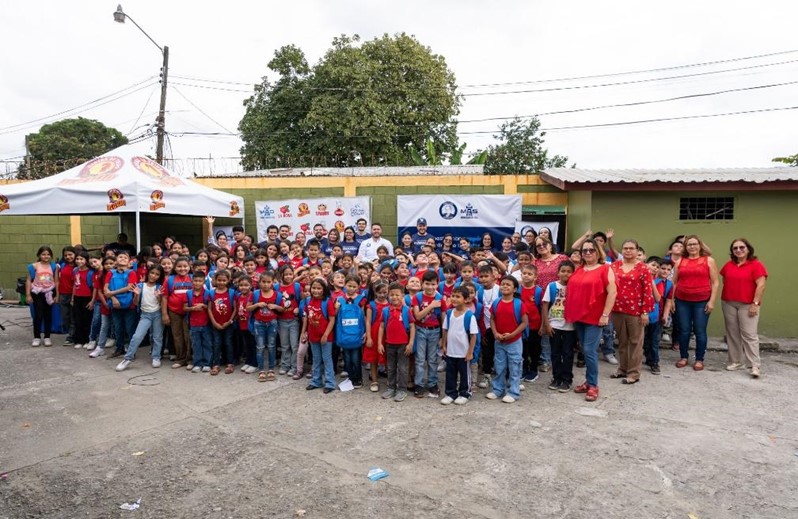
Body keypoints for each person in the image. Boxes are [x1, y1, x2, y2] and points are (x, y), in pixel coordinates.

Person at [564, 238, 617, 402]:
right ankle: (588, 381)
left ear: (598, 252)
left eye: (591, 250)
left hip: (595, 318)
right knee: (584, 350)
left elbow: (612, 293)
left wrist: (605, 314)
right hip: (579, 316)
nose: (587, 253)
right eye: (584, 250)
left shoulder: (605, 268)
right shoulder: (579, 269)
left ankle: (593, 385)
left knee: (589, 351)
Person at [720, 238, 767, 378]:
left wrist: (755, 303)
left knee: (749, 335)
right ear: (732, 251)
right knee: (732, 334)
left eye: (742, 247)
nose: (738, 250)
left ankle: (754, 365)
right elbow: (725, 280)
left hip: (748, 305)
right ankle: (736, 361)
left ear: (748, 249)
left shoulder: (756, 265)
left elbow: (761, 285)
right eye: (735, 248)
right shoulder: (728, 265)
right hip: (728, 303)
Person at [610, 240, 655, 385]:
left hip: (636, 311)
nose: (628, 251)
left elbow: (647, 291)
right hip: (617, 309)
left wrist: (645, 312)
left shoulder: (643, 268)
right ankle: (622, 368)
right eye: (625, 248)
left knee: (635, 342)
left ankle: (634, 373)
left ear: (637, 250)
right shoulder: (614, 266)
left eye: (631, 248)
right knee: (622, 342)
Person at [671, 235, 719, 371]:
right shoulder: (680, 261)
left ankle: (699, 359)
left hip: (702, 301)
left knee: (700, 331)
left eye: (694, 244)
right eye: (689, 244)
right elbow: (674, 282)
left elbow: (715, 282)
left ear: (700, 245)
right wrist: (672, 300)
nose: (692, 247)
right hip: (682, 301)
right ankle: (684, 357)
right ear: (685, 247)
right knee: (684, 330)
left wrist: (712, 301)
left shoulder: (708, 260)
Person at [486, 276, 528, 403]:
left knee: (515, 366)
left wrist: (512, 334)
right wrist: (495, 333)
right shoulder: (496, 302)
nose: (505, 286)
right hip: (499, 340)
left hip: (514, 341)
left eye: (508, 285)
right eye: (503, 284)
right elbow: (492, 319)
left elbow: (524, 322)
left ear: (515, 289)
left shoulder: (519, 304)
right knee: (499, 365)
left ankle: (513, 391)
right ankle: (498, 389)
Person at [115, 265, 164, 371]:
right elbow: (135, 303)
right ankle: (128, 358)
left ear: (159, 276)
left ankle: (156, 357)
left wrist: (158, 296)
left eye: (157, 274)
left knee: (157, 337)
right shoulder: (140, 286)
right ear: (148, 273)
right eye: (152, 273)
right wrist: (137, 294)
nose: (154, 276)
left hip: (157, 314)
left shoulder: (159, 287)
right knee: (137, 337)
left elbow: (161, 303)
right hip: (145, 315)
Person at [533, 236, 570, 371]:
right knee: (544, 326)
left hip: (560, 298)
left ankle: (561, 357)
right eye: (538, 245)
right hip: (541, 299)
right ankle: (546, 360)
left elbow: (570, 273)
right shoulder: (535, 262)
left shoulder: (562, 258)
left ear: (550, 245)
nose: (541, 246)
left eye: (544, 244)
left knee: (560, 328)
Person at [541, 260, 576, 392]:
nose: (565, 274)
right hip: (554, 324)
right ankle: (556, 377)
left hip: (570, 326)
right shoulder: (552, 286)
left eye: (569, 271)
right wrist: (546, 324)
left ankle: (567, 379)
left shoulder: (575, 286)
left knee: (567, 353)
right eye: (563, 271)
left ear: (573, 273)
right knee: (555, 353)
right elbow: (545, 305)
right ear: (558, 273)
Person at [441, 287, 478, 405]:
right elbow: (445, 330)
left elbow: (473, 336)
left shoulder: (469, 316)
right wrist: (444, 345)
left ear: (466, 299)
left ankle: (465, 393)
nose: (454, 299)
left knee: (464, 374)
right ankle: (451, 393)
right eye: (453, 296)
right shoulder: (449, 313)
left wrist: (470, 352)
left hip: (463, 352)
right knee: (450, 373)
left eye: (458, 297)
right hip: (451, 350)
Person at [378, 282, 415, 402]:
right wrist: (379, 343)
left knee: (403, 368)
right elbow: (382, 327)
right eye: (392, 295)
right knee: (390, 367)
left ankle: (402, 389)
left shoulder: (406, 310)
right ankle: (391, 387)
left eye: (397, 295)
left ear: (402, 296)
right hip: (389, 344)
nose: (394, 297)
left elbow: (412, 327)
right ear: (388, 295)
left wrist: (410, 343)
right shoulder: (385, 311)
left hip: (403, 344)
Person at [411, 271, 445, 398]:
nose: (430, 287)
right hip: (420, 330)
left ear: (437, 284)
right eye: (427, 284)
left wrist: (443, 336)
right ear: (422, 284)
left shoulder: (440, 298)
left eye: (433, 284)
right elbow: (418, 316)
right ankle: (418, 384)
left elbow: (443, 317)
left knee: (432, 359)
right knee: (420, 359)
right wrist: (431, 306)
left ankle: (432, 384)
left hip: (435, 331)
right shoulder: (418, 297)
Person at [301, 278, 337, 393]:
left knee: (326, 359)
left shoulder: (328, 302)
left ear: (324, 289)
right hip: (313, 335)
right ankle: (316, 381)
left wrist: (325, 335)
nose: (316, 290)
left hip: (325, 337)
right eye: (314, 288)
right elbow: (306, 317)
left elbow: (332, 320)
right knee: (316, 359)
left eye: (319, 288)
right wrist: (303, 332)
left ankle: (330, 383)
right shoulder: (307, 301)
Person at [248, 272, 283, 382]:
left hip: (272, 323)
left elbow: (282, 309)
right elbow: (247, 308)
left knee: (272, 346)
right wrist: (257, 305)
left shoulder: (277, 295)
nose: (266, 284)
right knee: (260, 347)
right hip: (259, 323)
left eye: (268, 282)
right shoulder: (255, 294)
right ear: (259, 282)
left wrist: (276, 306)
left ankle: (271, 369)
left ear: (273, 282)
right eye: (263, 282)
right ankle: (261, 370)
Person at [104, 251, 139, 359]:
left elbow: (129, 287)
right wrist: (113, 299)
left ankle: (131, 351)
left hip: (129, 306)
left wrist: (112, 293)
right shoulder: (111, 273)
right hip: (115, 305)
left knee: (130, 329)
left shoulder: (131, 273)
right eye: (120, 257)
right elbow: (106, 288)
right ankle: (119, 349)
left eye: (125, 257)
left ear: (129, 262)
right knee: (118, 328)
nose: (122, 258)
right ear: (116, 261)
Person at [335, 275, 367, 388]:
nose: (351, 288)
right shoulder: (340, 299)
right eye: (349, 285)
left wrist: (366, 332)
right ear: (345, 285)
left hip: (357, 334)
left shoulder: (361, 300)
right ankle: (351, 377)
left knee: (356, 358)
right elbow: (334, 316)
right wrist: (336, 308)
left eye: (354, 286)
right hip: (344, 334)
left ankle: (358, 379)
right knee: (347, 358)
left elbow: (365, 317)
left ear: (358, 287)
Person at [26, 245, 58, 347]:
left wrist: (57, 295)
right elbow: (28, 280)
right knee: (38, 315)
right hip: (37, 292)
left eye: (48, 254)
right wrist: (28, 295)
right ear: (39, 255)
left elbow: (57, 281)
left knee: (48, 315)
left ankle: (47, 337)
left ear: (51, 256)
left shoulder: (54, 266)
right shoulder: (34, 266)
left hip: (49, 292)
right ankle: (37, 337)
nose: (46, 256)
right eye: (43, 254)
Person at [208, 269, 236, 376]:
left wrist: (229, 322)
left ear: (228, 280)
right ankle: (216, 364)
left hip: (228, 324)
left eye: (224, 280)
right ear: (215, 280)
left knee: (228, 343)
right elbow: (209, 309)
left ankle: (230, 363)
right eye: (219, 280)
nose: (221, 283)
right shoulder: (211, 293)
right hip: (216, 324)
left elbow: (235, 309)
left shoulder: (231, 292)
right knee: (217, 343)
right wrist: (214, 322)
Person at [276, 265, 302, 377]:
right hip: (281, 320)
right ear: (281, 275)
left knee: (294, 345)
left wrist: (299, 309)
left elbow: (302, 301)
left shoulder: (296, 286)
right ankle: (285, 365)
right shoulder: (276, 287)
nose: (288, 276)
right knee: (285, 345)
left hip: (293, 320)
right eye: (285, 274)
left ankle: (294, 366)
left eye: (290, 274)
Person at [364, 281, 390, 392]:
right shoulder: (371, 305)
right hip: (374, 332)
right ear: (375, 292)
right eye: (380, 292)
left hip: (388, 332)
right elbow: (368, 322)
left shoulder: (390, 304)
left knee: (389, 357)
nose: (382, 295)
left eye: (385, 292)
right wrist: (369, 337)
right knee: (373, 358)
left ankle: (390, 379)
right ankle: (374, 380)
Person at [184, 271, 211, 373]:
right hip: (193, 324)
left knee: (207, 343)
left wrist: (203, 306)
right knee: (196, 344)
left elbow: (210, 307)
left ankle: (207, 363)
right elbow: (184, 308)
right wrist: (193, 308)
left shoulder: (207, 293)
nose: (197, 283)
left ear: (204, 281)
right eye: (195, 281)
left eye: (200, 281)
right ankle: (197, 363)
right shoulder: (188, 293)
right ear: (192, 281)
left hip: (206, 323)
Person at [70, 251, 95, 349]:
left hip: (87, 298)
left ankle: (87, 340)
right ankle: (79, 340)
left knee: (87, 319)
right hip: (77, 297)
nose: (79, 261)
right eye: (77, 259)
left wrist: (92, 301)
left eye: (81, 259)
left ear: (86, 260)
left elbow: (94, 288)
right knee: (77, 319)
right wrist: (72, 298)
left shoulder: (91, 272)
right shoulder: (75, 270)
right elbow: (74, 285)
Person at [58, 246, 76, 346]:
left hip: (73, 295)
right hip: (63, 294)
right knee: (65, 317)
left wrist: (73, 297)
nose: (68, 257)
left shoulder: (78, 266)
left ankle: (71, 337)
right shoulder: (62, 265)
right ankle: (70, 333)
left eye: (70, 254)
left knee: (73, 317)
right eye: (65, 255)